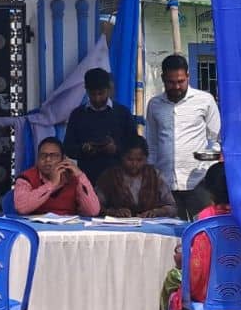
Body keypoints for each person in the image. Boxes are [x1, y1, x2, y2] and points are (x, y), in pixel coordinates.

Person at [159, 162, 241, 310]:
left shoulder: (204, 219)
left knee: (173, 282)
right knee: (219, 286)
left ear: (210, 191)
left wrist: (180, 260)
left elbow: (196, 262)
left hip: (205, 287)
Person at [145, 54, 221, 220]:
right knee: (167, 231)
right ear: (163, 78)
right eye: (171, 82)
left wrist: (208, 166)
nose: (177, 86)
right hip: (165, 185)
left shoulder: (205, 100)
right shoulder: (154, 105)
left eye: (181, 81)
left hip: (199, 183)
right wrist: (152, 175)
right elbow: (151, 143)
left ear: (188, 76)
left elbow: (217, 139)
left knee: (202, 228)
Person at [63, 68, 134, 184]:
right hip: (87, 180)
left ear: (109, 90)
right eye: (93, 94)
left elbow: (134, 147)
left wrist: (116, 149)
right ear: (86, 90)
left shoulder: (123, 114)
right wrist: (84, 149)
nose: (97, 98)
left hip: (118, 182)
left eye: (101, 93)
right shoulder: (77, 115)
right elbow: (68, 147)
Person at [13, 137, 101, 217]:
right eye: (43, 155)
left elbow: (93, 211)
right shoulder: (26, 178)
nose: (47, 160)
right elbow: (21, 208)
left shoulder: (74, 178)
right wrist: (52, 184)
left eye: (54, 156)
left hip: (68, 227)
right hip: (35, 227)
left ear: (63, 159)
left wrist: (80, 175)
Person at [95, 136, 177, 218]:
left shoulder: (155, 175)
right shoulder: (109, 177)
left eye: (139, 160)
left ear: (146, 159)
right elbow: (95, 207)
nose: (134, 164)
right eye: (130, 159)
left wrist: (157, 212)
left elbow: (172, 207)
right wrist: (113, 212)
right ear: (122, 157)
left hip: (150, 224)